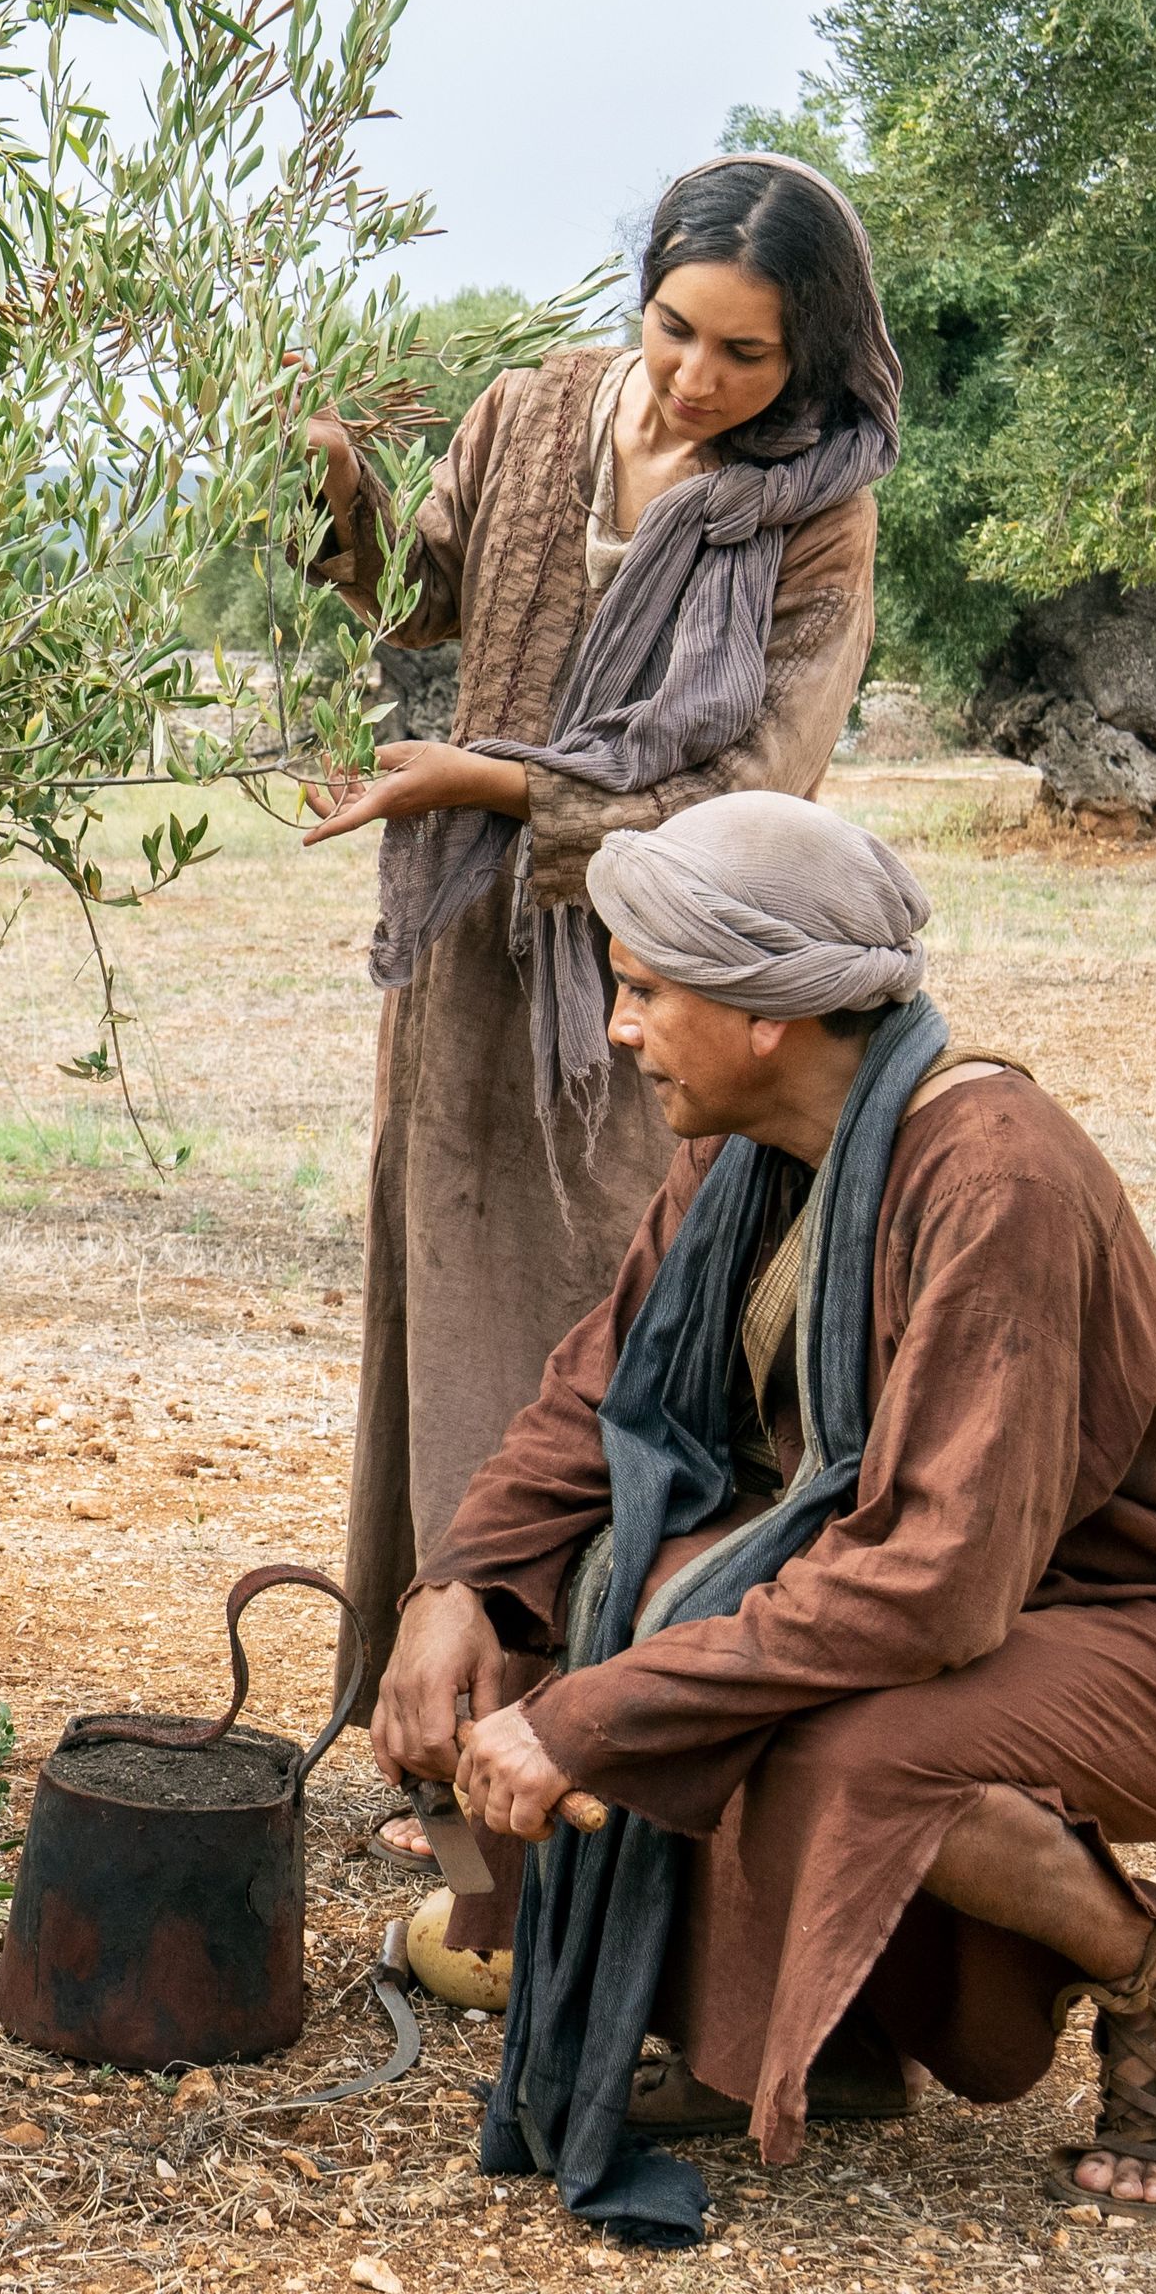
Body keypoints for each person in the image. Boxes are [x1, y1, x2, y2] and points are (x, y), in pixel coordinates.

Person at [372, 792, 1156, 2247]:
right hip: (988, 1604)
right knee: (586, 1595)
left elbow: (934, 1587)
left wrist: (598, 1717)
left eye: (643, 992)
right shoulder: (744, 1151)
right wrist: (457, 1588)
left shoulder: (994, 1176)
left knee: (828, 1735)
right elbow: (600, 1399)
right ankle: (833, 2039)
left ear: (767, 1015)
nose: (619, 1030)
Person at [293, 156, 903, 1861]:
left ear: (816, 360)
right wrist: (341, 491)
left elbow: (758, 782)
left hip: (666, 985)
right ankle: (438, 1752)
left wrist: (492, 782)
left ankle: (587, 1742)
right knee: (452, 1332)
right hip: (473, 971)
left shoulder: (818, 512)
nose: (699, 381)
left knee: (615, 1345)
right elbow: (413, 614)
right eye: (676, 331)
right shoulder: (525, 416)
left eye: (748, 358)